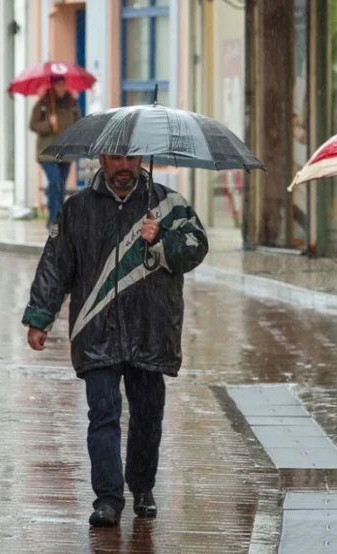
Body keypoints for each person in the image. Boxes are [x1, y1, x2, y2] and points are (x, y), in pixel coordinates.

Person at [22, 154, 209, 527]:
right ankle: (107, 498)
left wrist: (163, 238)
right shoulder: (78, 209)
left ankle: (142, 487)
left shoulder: (167, 203)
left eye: (130, 157)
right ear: (102, 159)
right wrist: (41, 318)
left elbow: (197, 247)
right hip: (97, 327)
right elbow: (56, 264)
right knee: (103, 415)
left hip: (151, 328)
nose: (123, 165)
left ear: (140, 159)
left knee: (147, 416)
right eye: (115, 158)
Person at [30, 75, 82, 227]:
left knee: (61, 186)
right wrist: (48, 123)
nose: (61, 88)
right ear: (52, 86)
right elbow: (33, 125)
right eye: (58, 85)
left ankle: (56, 217)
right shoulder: (43, 104)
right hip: (47, 152)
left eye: (63, 84)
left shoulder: (71, 103)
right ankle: (55, 218)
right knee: (55, 182)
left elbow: (79, 122)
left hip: (65, 151)